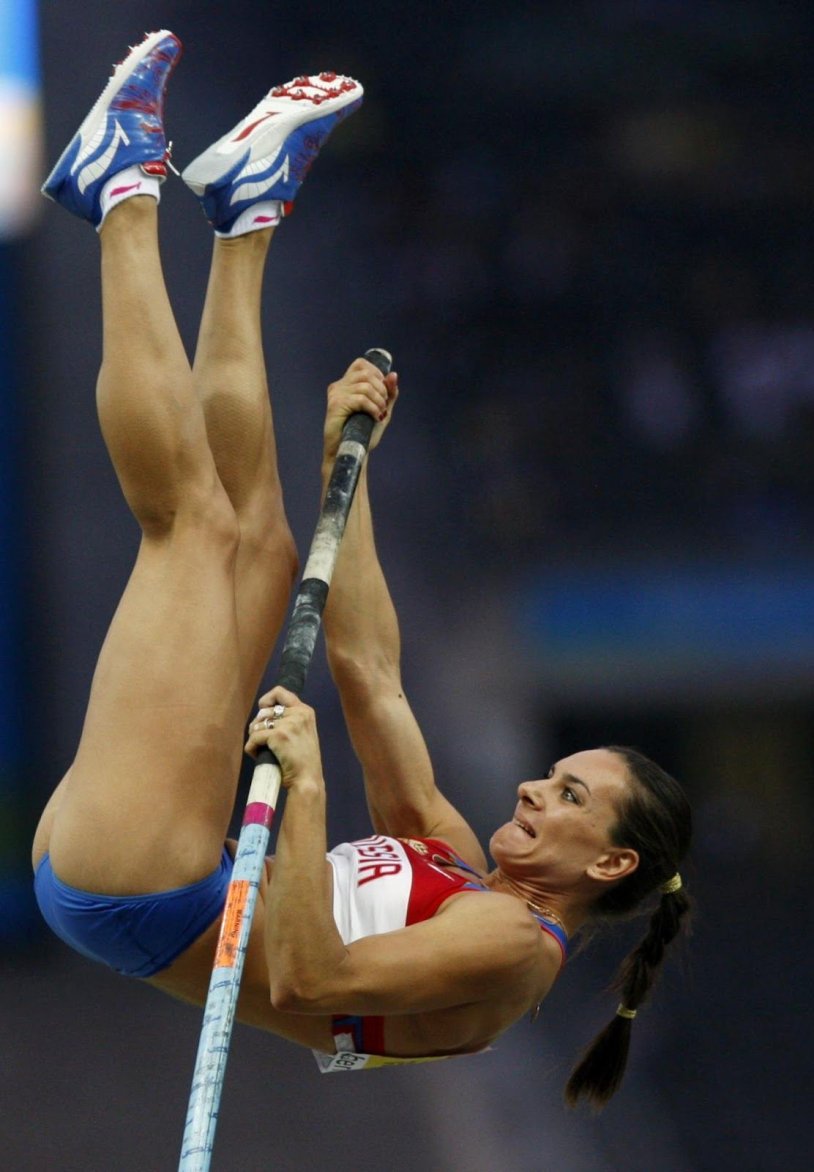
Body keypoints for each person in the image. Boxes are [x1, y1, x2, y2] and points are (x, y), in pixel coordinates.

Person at [32, 30, 692, 1107]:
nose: (533, 785)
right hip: (173, 860)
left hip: (146, 885)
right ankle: (245, 215)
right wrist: (352, 464)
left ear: (610, 863)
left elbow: (310, 978)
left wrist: (306, 788)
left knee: (190, 529)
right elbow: (370, 670)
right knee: (263, 547)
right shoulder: (454, 860)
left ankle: (118, 196)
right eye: (556, 772)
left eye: (569, 793)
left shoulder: (513, 950)